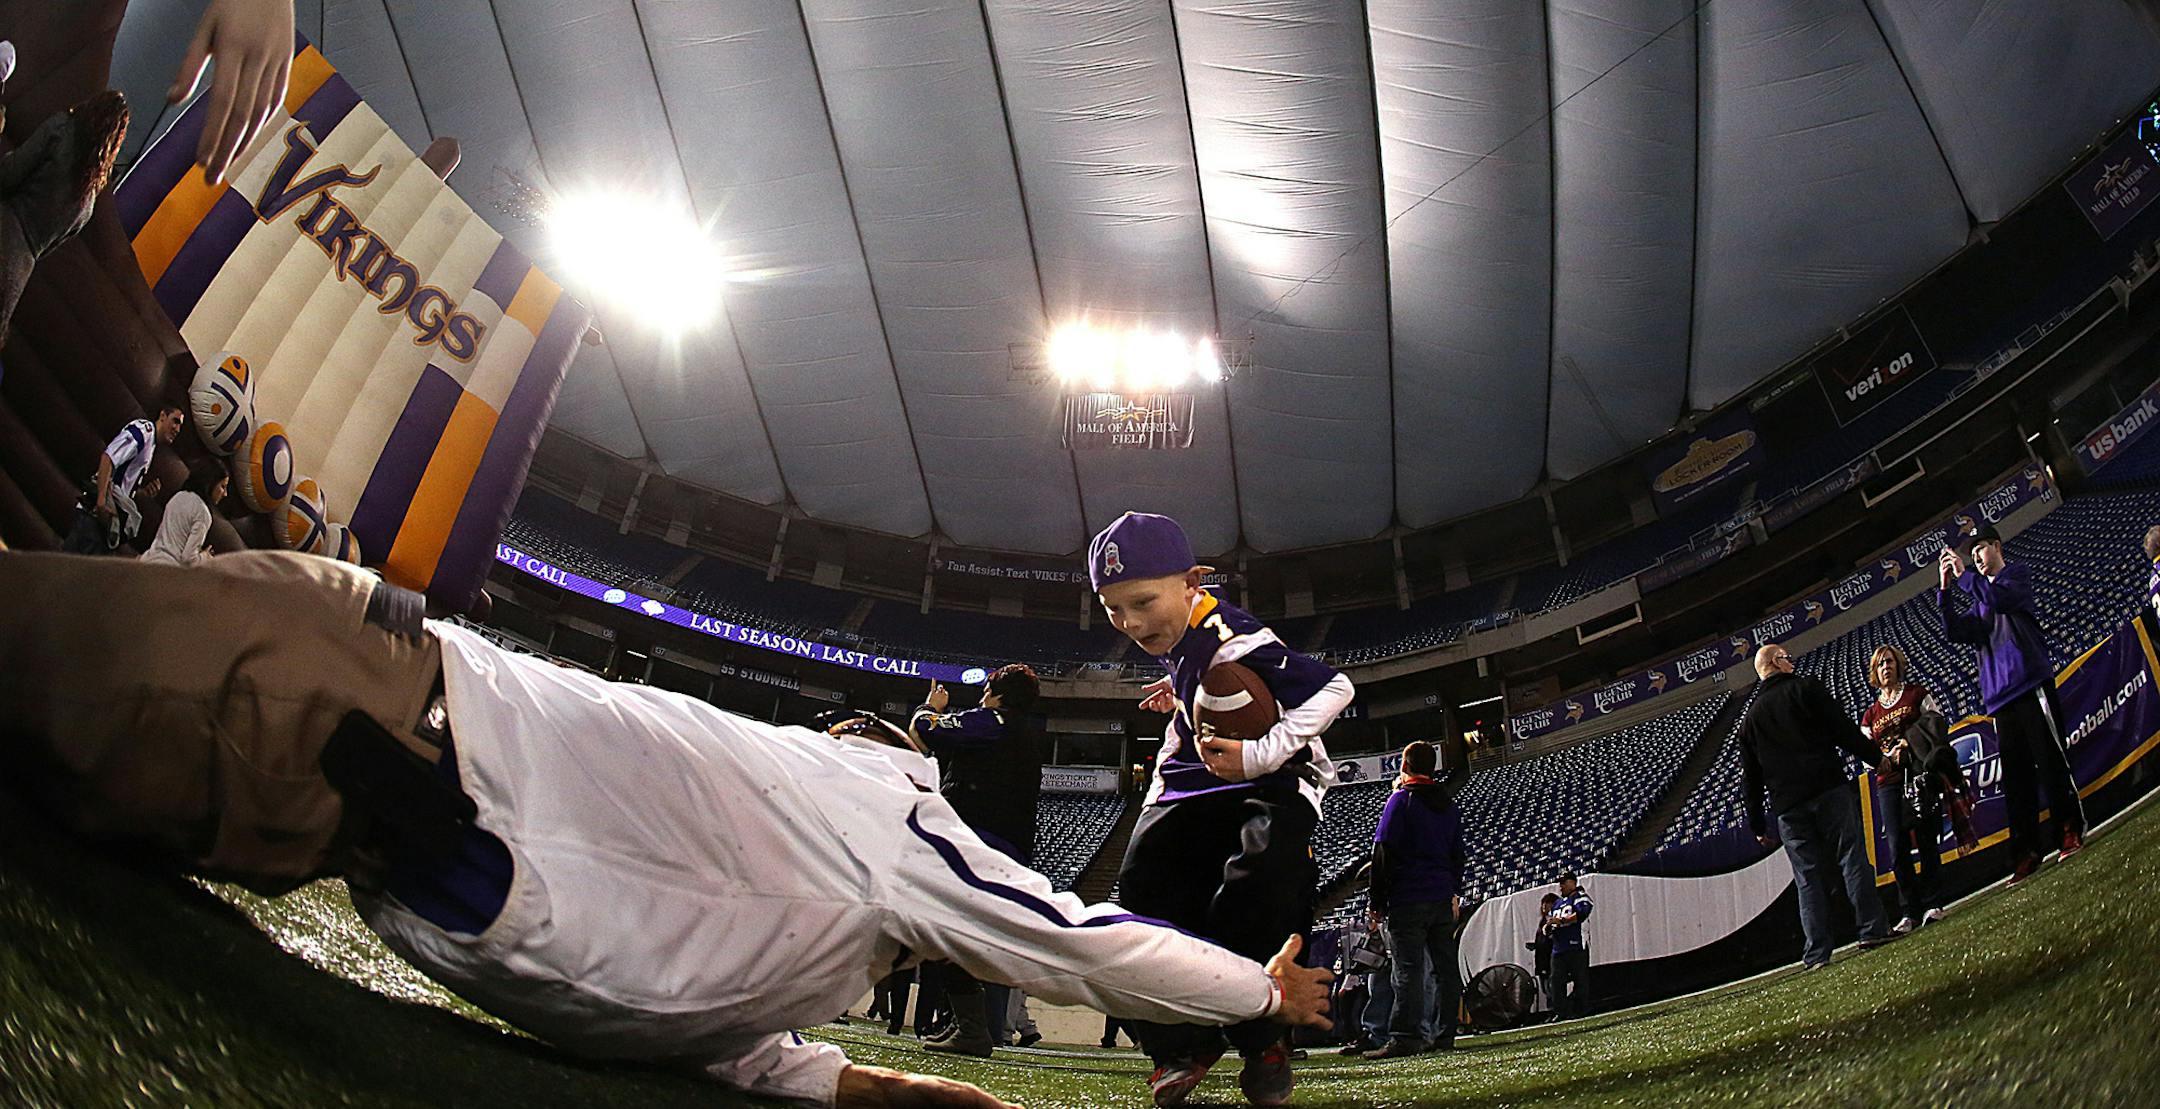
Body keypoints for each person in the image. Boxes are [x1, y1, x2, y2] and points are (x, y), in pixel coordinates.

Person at [0, 548, 1335, 1109]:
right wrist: (1253, 988)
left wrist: (879, 1084)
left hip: (332, 749)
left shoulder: (798, 907)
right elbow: (1079, 939)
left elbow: (733, 1044)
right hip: (331, 712)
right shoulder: (881, 826)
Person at [1090, 511, 1355, 1108]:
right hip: (1189, 776)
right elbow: (1193, 661)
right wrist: (1182, 691)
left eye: (1141, 602)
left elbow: (1335, 688)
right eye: (1112, 609)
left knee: (1255, 894)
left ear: (1194, 581)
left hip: (1274, 778)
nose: (1129, 623)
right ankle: (1179, 1047)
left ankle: (1265, 1041)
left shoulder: (1238, 638)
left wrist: (1261, 752)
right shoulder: (1180, 630)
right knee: (1135, 911)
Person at [907, 665, 1045, 1057]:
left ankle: (972, 1026)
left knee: (938, 925)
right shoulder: (1027, 735)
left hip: (974, 841)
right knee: (971, 936)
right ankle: (975, 1024)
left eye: (987, 690)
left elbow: (929, 730)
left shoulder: (993, 721)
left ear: (997, 694)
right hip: (1009, 848)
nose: (983, 696)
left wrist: (928, 708)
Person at [1937, 525, 2087, 885]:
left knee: (2051, 761)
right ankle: (2026, 851)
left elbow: (2000, 600)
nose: (1975, 558)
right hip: (2000, 698)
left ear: (1997, 547)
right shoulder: (1979, 601)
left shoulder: (2016, 576)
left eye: (1980, 550)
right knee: (2017, 778)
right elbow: (1956, 631)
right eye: (1971, 555)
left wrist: (1965, 576)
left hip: (2030, 683)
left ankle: (2069, 829)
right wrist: (1945, 590)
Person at [1739, 643, 1896, 970]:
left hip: (1788, 808)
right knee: (1851, 856)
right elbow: (1843, 731)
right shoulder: (1806, 689)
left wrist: (1756, 825)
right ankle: (1871, 930)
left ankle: (1817, 955)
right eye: (1787, 657)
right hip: (1827, 789)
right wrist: (1876, 759)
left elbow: (1750, 780)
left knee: (1807, 879)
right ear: (1776, 663)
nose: (1791, 662)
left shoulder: (1750, 719)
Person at [1859, 646, 1975, 933]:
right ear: (1874, 673)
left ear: (1899, 665)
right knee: (1896, 845)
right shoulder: (1869, 714)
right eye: (1880, 664)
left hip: (1919, 774)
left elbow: (1936, 723)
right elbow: (1864, 753)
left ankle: (1933, 902)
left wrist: (1909, 744)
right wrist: (1884, 759)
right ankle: (1909, 911)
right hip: (1888, 781)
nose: (1886, 667)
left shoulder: (1917, 695)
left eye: (1890, 661)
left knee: (1925, 836)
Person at [1363, 742, 1465, 1058]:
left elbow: (1383, 854)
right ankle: (1444, 1033)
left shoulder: (1400, 800)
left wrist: (1376, 902)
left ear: (1405, 764)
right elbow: (1457, 855)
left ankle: (1407, 1036)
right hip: (1439, 896)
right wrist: (1453, 891)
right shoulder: (1448, 804)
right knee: (1445, 969)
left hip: (1408, 898)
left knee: (1408, 969)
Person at [65, 405, 185, 555]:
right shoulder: (143, 432)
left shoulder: (151, 444)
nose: (177, 429)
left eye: (180, 426)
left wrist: (143, 493)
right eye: (175, 421)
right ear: (162, 415)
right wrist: (101, 502)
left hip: (106, 524)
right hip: (95, 518)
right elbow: (108, 457)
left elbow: (124, 487)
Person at [140, 460, 228, 567]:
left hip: (148, 560)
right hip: (167, 570)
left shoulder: (178, 496)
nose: (225, 494)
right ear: (211, 483)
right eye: (223, 486)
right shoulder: (203, 513)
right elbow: (188, 559)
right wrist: (205, 556)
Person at [1546, 873, 1594, 1019]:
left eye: (1564, 882)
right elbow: (1549, 922)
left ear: (1572, 882)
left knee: (1580, 979)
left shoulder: (1579, 896)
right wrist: (1548, 927)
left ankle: (1582, 1009)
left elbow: (1582, 913)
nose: (1561, 886)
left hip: (1576, 945)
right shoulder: (1558, 903)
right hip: (1558, 948)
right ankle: (1561, 1012)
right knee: (1556, 981)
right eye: (1560, 883)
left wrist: (1561, 921)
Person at [1527, 893, 1558, 1018]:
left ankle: (1557, 1010)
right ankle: (1552, 1011)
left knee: (1552, 987)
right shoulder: (1542, 922)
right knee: (1546, 989)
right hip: (1541, 960)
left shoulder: (1554, 920)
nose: (1544, 906)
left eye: (1548, 903)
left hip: (1550, 959)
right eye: (1543, 903)